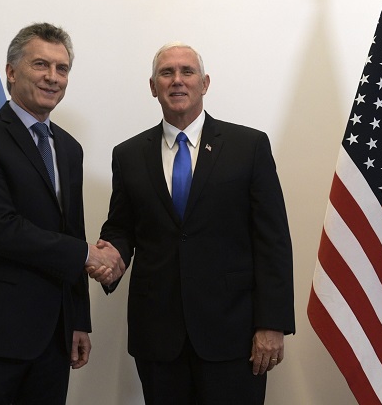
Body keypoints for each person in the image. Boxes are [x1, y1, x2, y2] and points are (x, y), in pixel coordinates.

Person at [89, 42, 295, 404]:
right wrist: (111, 256)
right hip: (158, 337)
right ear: (153, 86)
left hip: (233, 337)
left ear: (205, 83)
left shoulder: (248, 146)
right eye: (166, 73)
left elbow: (272, 240)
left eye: (187, 71)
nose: (177, 80)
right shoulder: (129, 154)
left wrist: (272, 323)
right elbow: (122, 226)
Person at [0, 22, 123, 405]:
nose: (53, 77)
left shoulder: (69, 149)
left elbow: (72, 232)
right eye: (41, 64)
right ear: (11, 71)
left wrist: (77, 320)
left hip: (52, 337)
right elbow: (1, 230)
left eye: (62, 69)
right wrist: (90, 255)